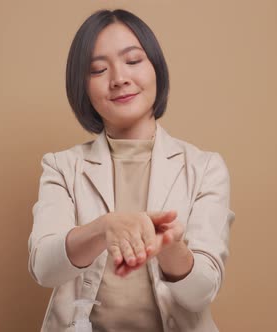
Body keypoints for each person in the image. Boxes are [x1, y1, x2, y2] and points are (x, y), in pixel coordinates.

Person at [28, 9, 235, 332]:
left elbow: (202, 293)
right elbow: (44, 268)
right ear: (81, 87)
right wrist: (102, 229)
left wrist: (169, 247)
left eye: (134, 61)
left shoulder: (205, 167)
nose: (119, 78)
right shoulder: (61, 166)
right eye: (98, 69)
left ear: (156, 68)